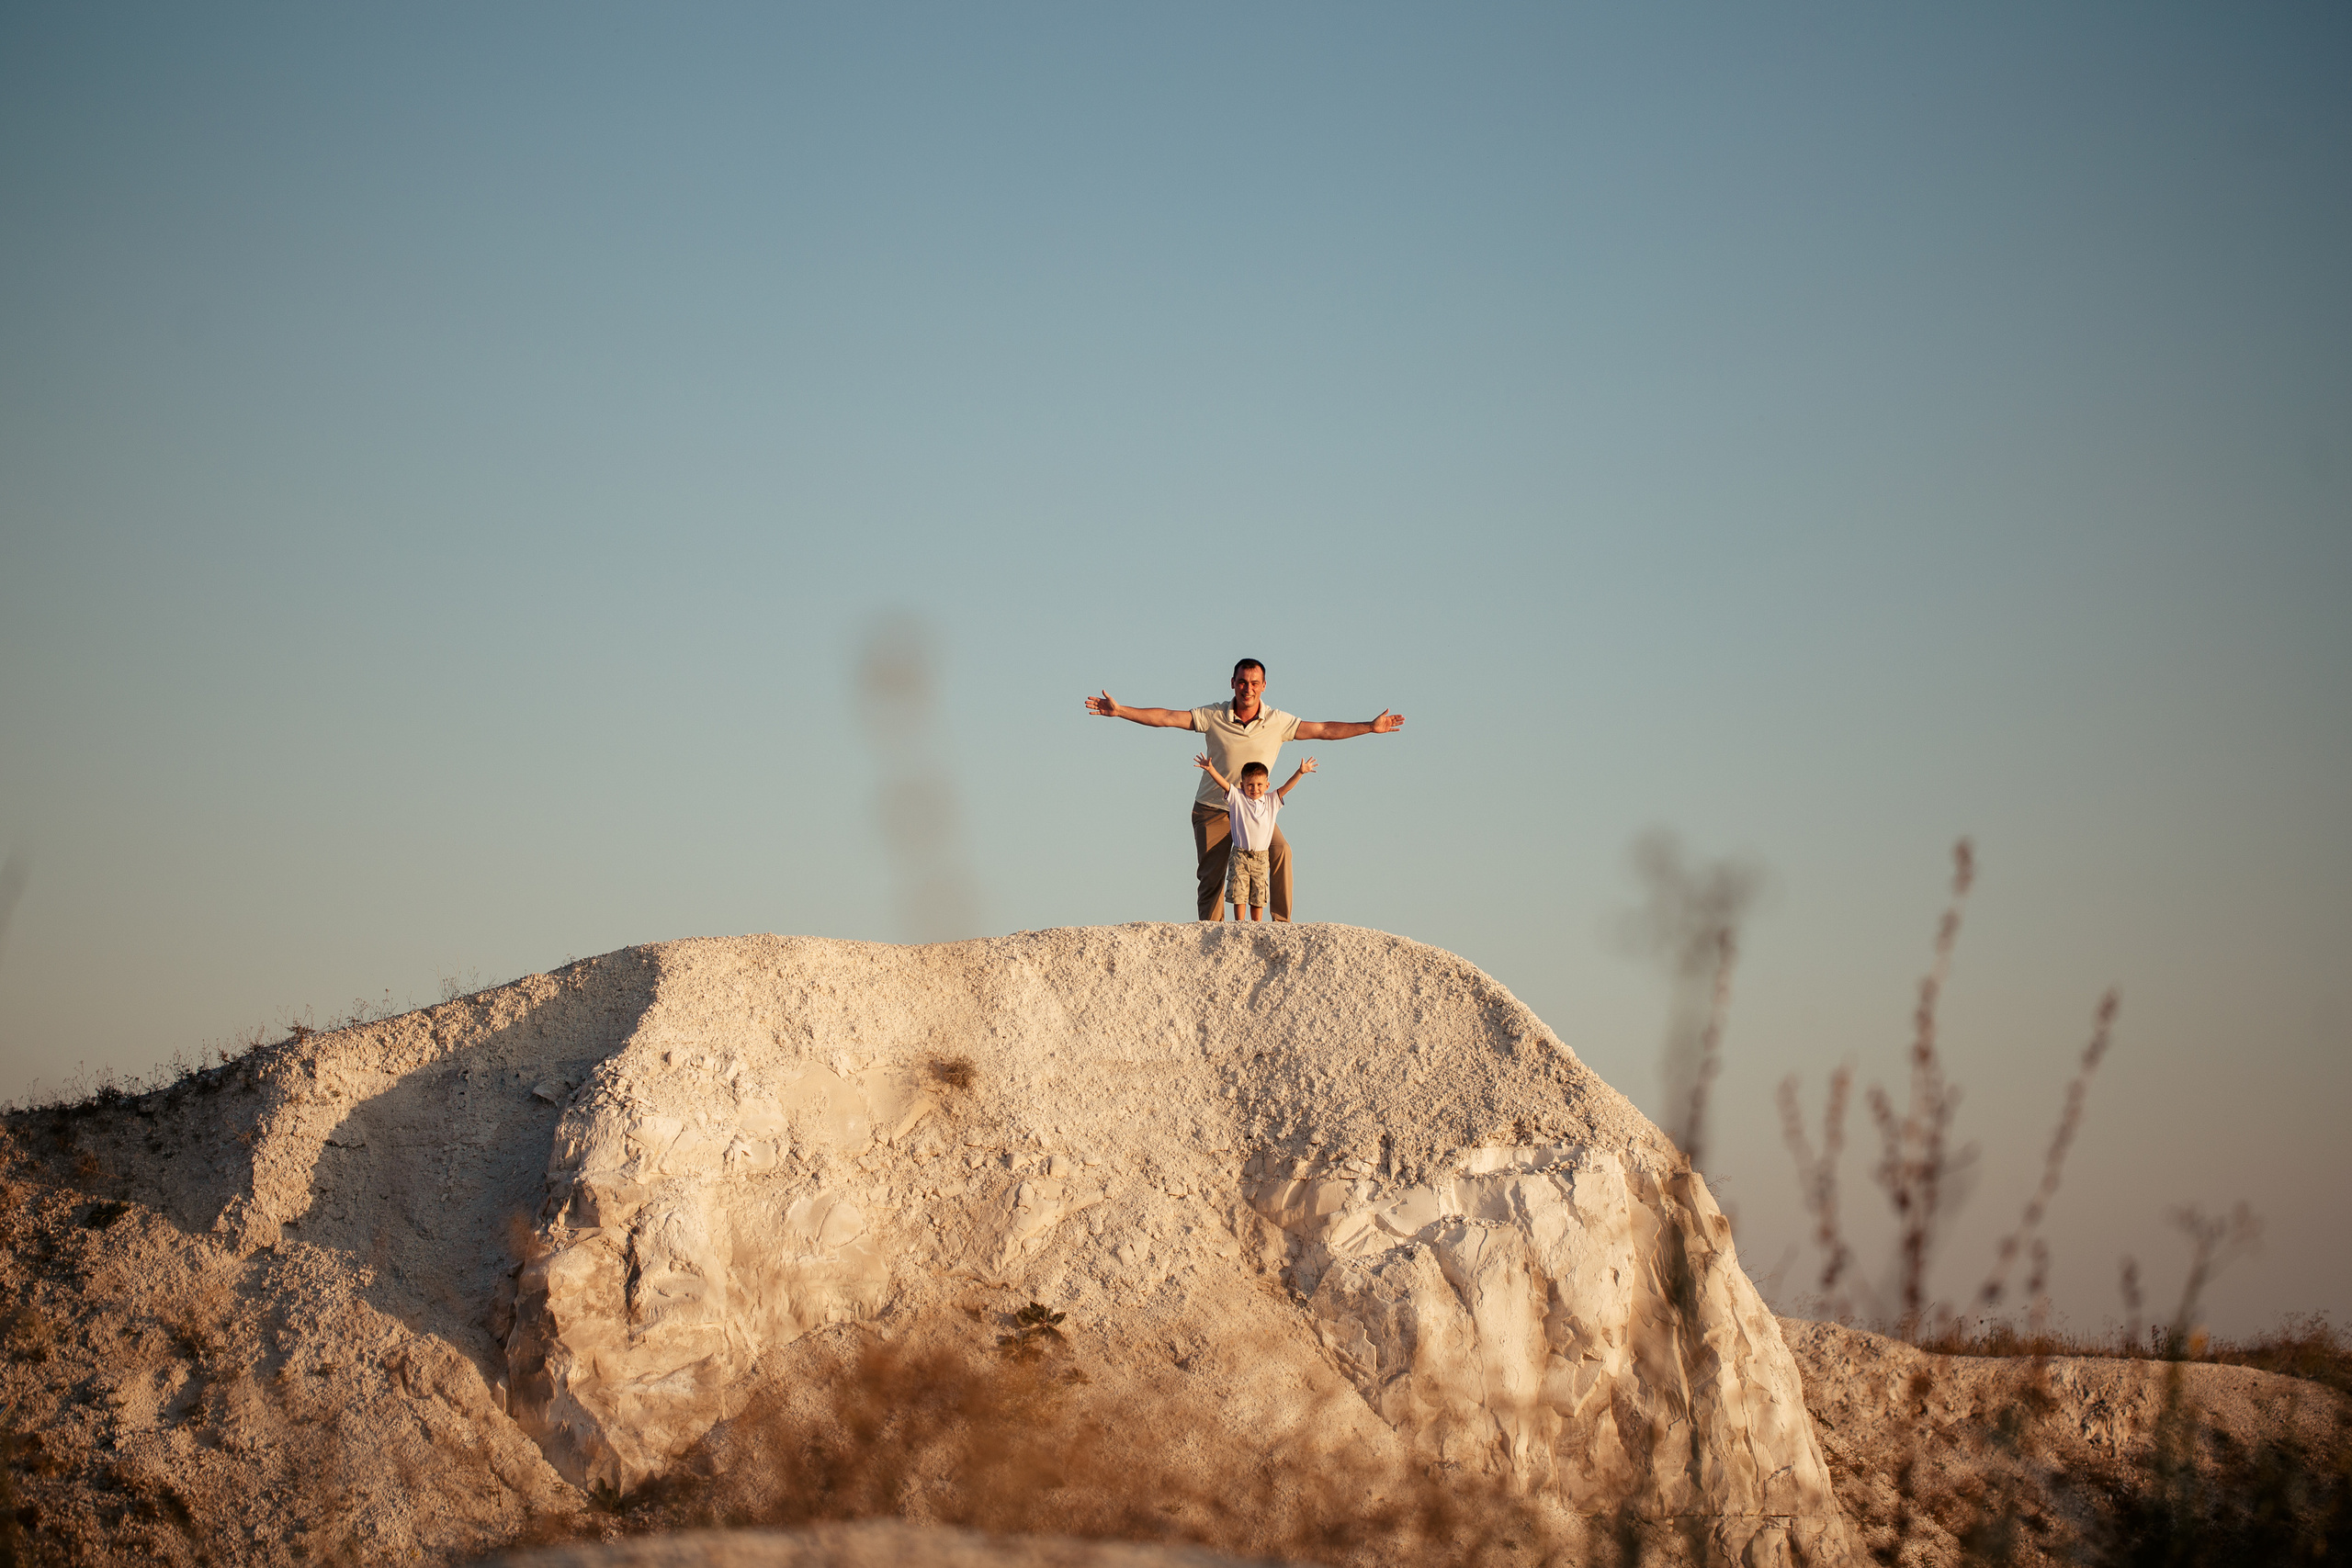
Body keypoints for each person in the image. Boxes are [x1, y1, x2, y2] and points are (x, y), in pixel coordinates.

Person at [1083, 659, 1404, 921]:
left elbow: (1323, 730)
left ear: (1263, 686)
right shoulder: (1213, 715)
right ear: (1232, 683)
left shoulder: (1278, 721)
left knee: (1281, 851)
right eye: (1241, 682)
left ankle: (1281, 925)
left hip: (1255, 812)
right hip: (1213, 808)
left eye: (1254, 683)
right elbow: (1168, 717)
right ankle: (1212, 937)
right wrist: (1121, 710)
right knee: (1211, 878)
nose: (1247, 688)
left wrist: (1369, 727)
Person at [1194, 753, 1317, 922]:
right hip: (1240, 855)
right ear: (1242, 785)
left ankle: (1256, 924)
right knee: (1239, 892)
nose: (1255, 788)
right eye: (1250, 785)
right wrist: (1211, 769)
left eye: (1259, 784)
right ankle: (1240, 923)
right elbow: (1224, 784)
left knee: (1258, 893)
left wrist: (1300, 772)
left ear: (1267, 785)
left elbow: (1286, 788)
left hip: (1261, 857)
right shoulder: (1237, 798)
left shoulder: (1272, 800)